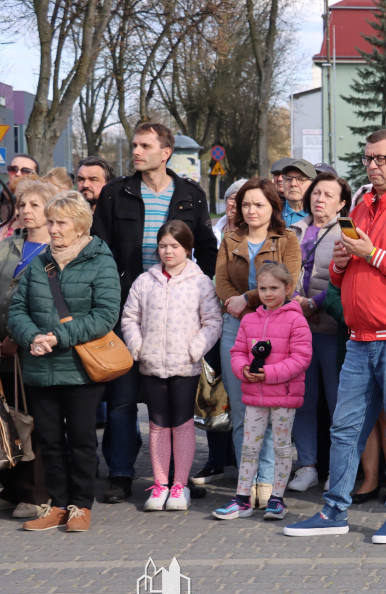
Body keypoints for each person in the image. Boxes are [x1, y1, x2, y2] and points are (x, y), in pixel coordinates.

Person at [284, 129, 386, 544]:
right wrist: (341, 263)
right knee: (344, 428)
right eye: (367, 158)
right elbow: (347, 275)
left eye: (380, 158)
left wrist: (371, 253)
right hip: (360, 337)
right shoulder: (362, 205)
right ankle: (333, 510)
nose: (372, 165)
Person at [91, 121, 217, 504]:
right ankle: (120, 473)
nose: (136, 151)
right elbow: (100, 250)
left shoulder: (191, 195)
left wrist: (202, 292)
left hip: (178, 314)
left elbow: (207, 249)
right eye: (134, 145)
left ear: (165, 152)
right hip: (128, 308)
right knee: (123, 399)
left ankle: (178, 477)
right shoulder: (116, 193)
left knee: (177, 407)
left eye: (144, 146)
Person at [10, 191, 120, 532]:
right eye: (51, 222)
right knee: (49, 440)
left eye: (61, 223)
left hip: (80, 368)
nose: (53, 229)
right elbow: (17, 310)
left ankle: (81, 505)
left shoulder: (100, 260)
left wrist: (57, 337)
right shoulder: (39, 261)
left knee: (82, 440)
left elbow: (105, 315)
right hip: (40, 367)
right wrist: (32, 337)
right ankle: (57, 504)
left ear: (80, 225)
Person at [121, 220, 222, 512]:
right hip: (151, 363)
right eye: (163, 246)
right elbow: (130, 317)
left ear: (187, 249)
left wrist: (194, 349)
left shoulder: (201, 282)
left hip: (185, 366)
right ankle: (160, 484)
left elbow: (212, 321)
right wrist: (138, 347)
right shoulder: (145, 281)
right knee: (157, 424)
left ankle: (180, 485)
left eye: (174, 246)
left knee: (182, 424)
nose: (168, 251)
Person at [215, 178, 302, 508]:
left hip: (274, 327)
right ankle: (246, 483)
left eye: (259, 204)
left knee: (268, 407)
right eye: (246, 204)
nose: (251, 210)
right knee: (242, 410)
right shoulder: (230, 239)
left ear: (273, 207)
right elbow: (222, 281)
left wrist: (247, 298)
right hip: (236, 325)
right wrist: (234, 302)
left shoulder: (287, 239)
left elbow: (287, 282)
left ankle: (266, 480)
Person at [214, 262, 313, 521]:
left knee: (281, 447)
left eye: (274, 288)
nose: (268, 293)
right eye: (263, 288)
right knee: (249, 447)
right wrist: (243, 368)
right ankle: (242, 498)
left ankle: (277, 499)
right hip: (255, 395)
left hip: (283, 396)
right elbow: (237, 351)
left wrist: (268, 373)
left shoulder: (296, 320)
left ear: (288, 288)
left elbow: (301, 359)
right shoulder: (249, 320)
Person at [0, 180, 60, 520]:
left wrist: (17, 338)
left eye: (34, 205)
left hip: (34, 348)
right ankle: (9, 489)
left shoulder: (55, 250)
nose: (26, 211)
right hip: (2, 349)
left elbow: (50, 304)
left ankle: (35, 493)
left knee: (33, 421)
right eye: (22, 205)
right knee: (7, 418)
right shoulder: (8, 246)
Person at [287, 174, 351, 493]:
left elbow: (346, 277)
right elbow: (283, 272)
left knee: (337, 400)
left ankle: (339, 469)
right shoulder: (294, 230)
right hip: (297, 329)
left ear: (341, 203)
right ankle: (307, 465)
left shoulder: (347, 232)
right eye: (316, 193)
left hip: (330, 328)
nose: (319, 199)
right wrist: (294, 301)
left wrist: (314, 303)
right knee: (304, 400)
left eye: (328, 195)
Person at [280, 159, 317, 226]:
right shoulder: (271, 212)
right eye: (288, 179)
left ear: (313, 185)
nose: (293, 184)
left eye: (301, 179)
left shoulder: (319, 217)